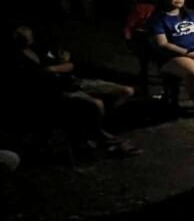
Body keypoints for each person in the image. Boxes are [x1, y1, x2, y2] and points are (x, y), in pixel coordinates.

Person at [12, 25, 139, 156]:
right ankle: (101, 137)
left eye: (29, 36)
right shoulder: (19, 60)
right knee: (97, 104)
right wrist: (56, 69)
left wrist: (52, 69)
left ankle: (102, 129)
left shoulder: (39, 49)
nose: (29, 39)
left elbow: (70, 64)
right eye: (24, 37)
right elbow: (40, 80)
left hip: (76, 81)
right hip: (60, 91)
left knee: (126, 91)